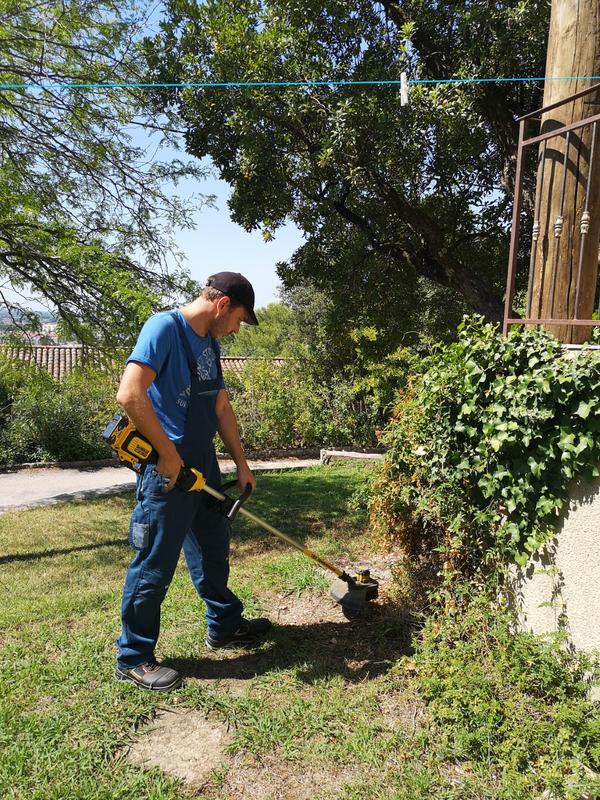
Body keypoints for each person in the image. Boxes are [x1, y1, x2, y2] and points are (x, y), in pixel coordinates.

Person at [114, 272, 271, 692]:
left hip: (203, 463)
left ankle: (224, 625)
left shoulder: (210, 343)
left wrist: (241, 463)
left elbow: (221, 406)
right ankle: (134, 657)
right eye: (239, 319)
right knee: (154, 564)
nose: (238, 329)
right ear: (222, 305)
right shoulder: (163, 328)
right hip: (169, 472)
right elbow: (130, 394)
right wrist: (167, 455)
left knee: (213, 550)